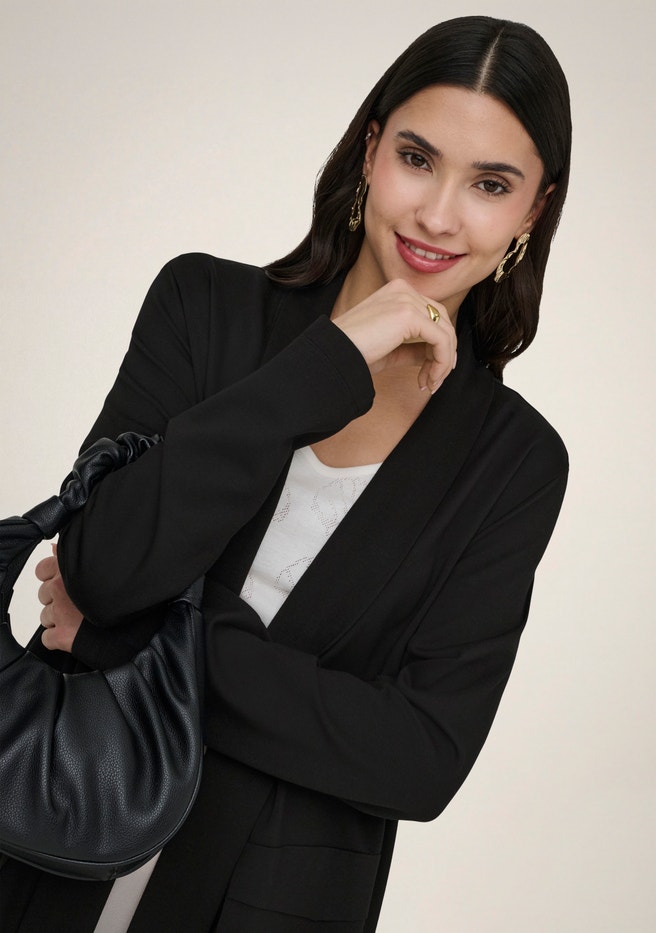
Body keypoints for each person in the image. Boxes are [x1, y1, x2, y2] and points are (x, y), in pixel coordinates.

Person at [1, 15, 572, 933]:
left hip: (276, 900)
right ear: (370, 149)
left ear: (533, 212)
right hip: (47, 836)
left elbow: (419, 757)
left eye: (491, 184)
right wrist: (326, 366)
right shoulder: (203, 306)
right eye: (417, 159)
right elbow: (102, 565)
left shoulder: (514, 462)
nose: (439, 215)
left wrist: (143, 641)